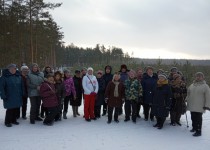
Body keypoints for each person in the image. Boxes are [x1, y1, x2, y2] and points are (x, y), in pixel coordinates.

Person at [186, 72, 210, 137]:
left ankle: (198, 131)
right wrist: (186, 99)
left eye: (200, 76)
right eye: (197, 76)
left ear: (203, 77)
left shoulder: (205, 86)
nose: (198, 77)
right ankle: (194, 128)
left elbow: (208, 96)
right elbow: (188, 93)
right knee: (193, 117)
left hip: (200, 105)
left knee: (198, 118)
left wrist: (207, 105)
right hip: (192, 104)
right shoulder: (192, 85)